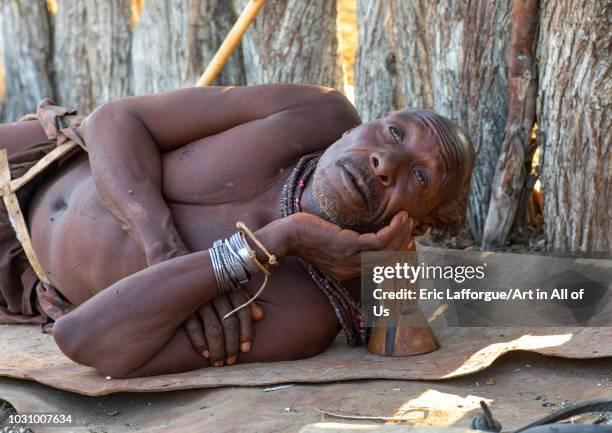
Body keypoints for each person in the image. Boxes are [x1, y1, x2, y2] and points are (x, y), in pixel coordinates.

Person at [0, 84, 474, 378]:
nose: (385, 163)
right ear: (358, 127)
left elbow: (84, 338)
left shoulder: (308, 312)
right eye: (393, 133)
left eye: (420, 177)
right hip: (32, 161)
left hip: (15, 278)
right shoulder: (316, 115)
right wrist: (166, 253)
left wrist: (276, 240)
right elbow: (114, 119)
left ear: (418, 223)